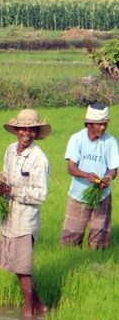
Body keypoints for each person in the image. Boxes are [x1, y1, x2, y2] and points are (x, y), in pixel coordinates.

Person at [0, 109, 50, 316]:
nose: (26, 133)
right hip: (9, 217)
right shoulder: (10, 151)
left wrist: (12, 191)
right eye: (23, 128)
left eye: (31, 129)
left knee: (24, 268)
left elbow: (41, 194)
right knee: (18, 266)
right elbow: (5, 177)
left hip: (26, 220)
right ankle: (39, 305)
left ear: (36, 132)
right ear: (16, 130)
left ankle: (28, 313)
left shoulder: (39, 158)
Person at [60, 103, 119, 249]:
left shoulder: (110, 142)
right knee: (71, 236)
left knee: (99, 237)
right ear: (89, 124)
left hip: (102, 195)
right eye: (98, 124)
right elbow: (71, 168)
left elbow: (113, 169)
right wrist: (86, 175)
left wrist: (107, 179)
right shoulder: (77, 139)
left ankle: (97, 265)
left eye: (104, 124)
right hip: (78, 195)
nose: (102, 127)